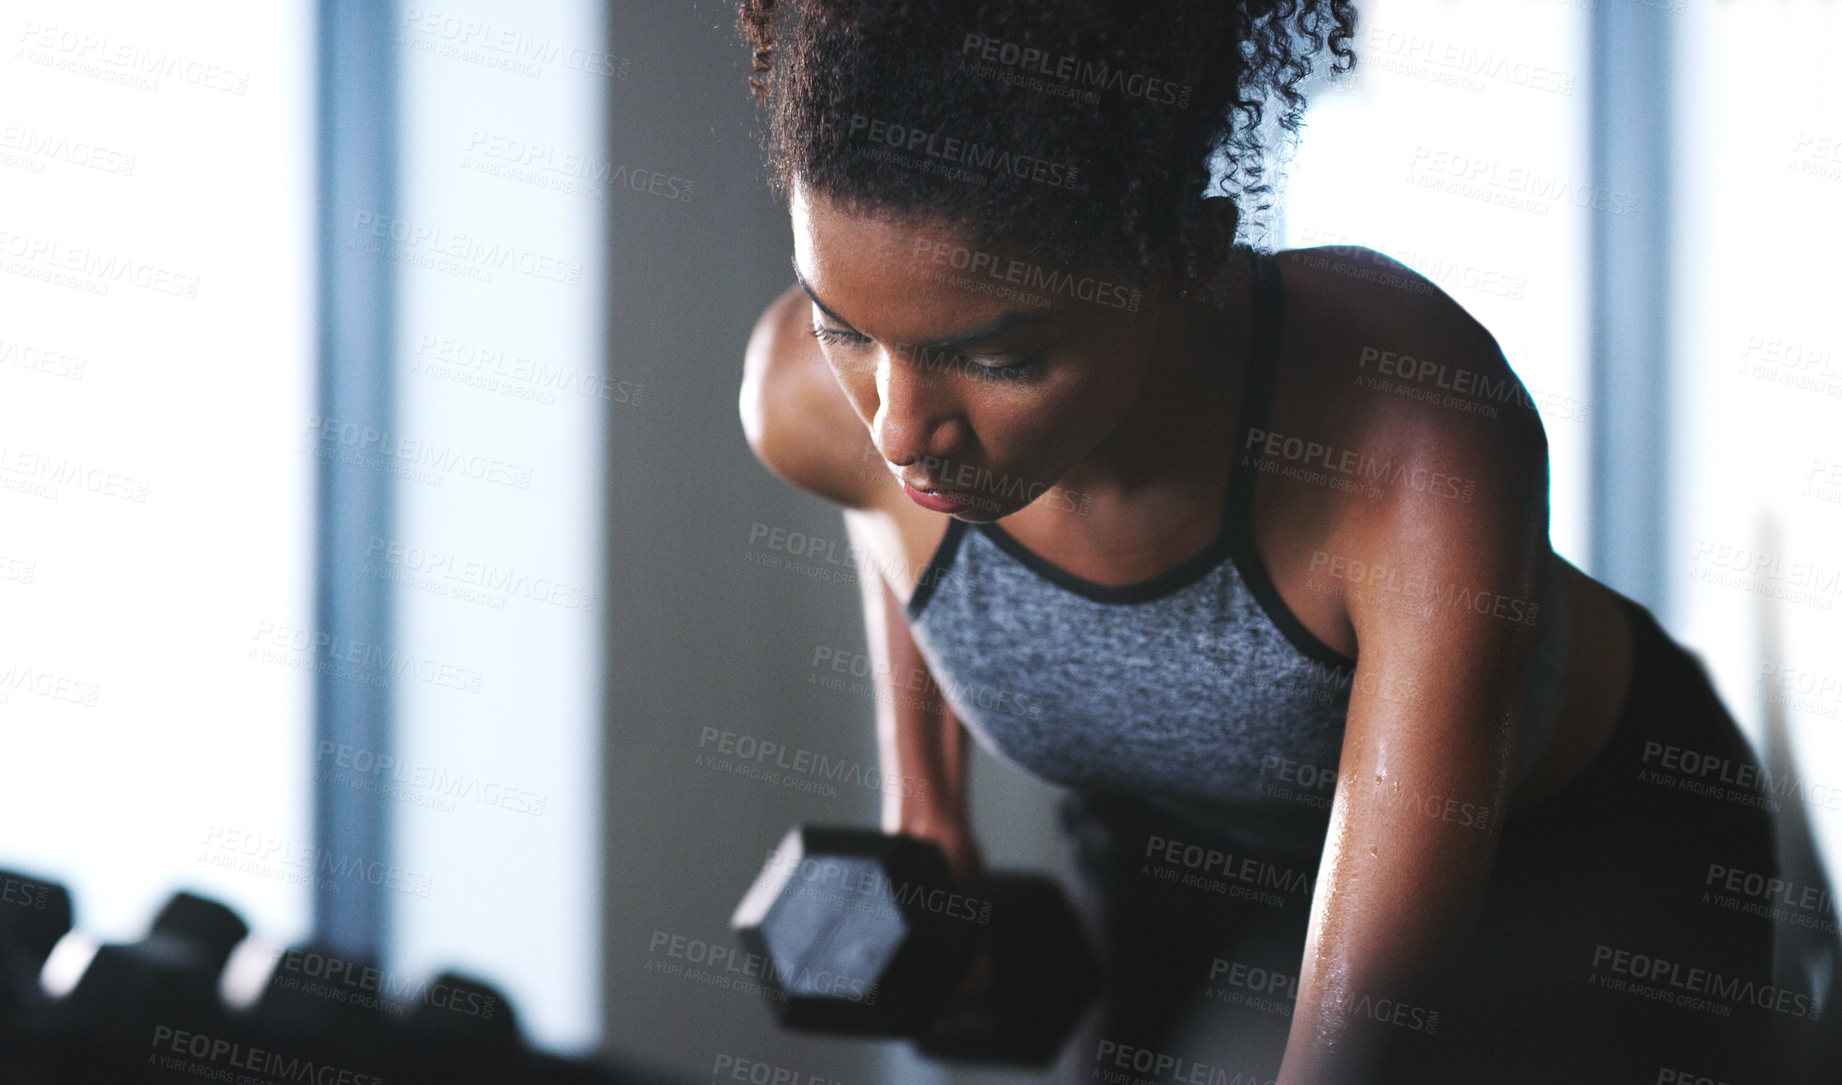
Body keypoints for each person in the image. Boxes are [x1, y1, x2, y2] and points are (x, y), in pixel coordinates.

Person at [733, 1, 1836, 1081]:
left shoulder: (1409, 427)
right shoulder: (810, 406)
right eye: (849, 329)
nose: (897, 427)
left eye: (997, 356)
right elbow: (890, 516)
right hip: (1185, 861)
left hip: (1567, 866)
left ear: (1184, 255)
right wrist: (925, 807)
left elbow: (1362, 1031)